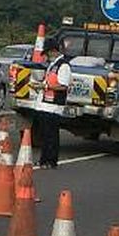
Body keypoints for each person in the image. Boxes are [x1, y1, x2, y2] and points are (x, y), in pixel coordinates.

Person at [34, 38, 72, 168]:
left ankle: (51, 161)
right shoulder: (53, 64)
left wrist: (46, 87)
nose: (47, 56)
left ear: (53, 51)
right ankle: (43, 160)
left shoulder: (63, 66)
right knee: (44, 135)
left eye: (48, 53)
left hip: (54, 106)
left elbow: (63, 86)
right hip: (45, 104)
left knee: (51, 135)